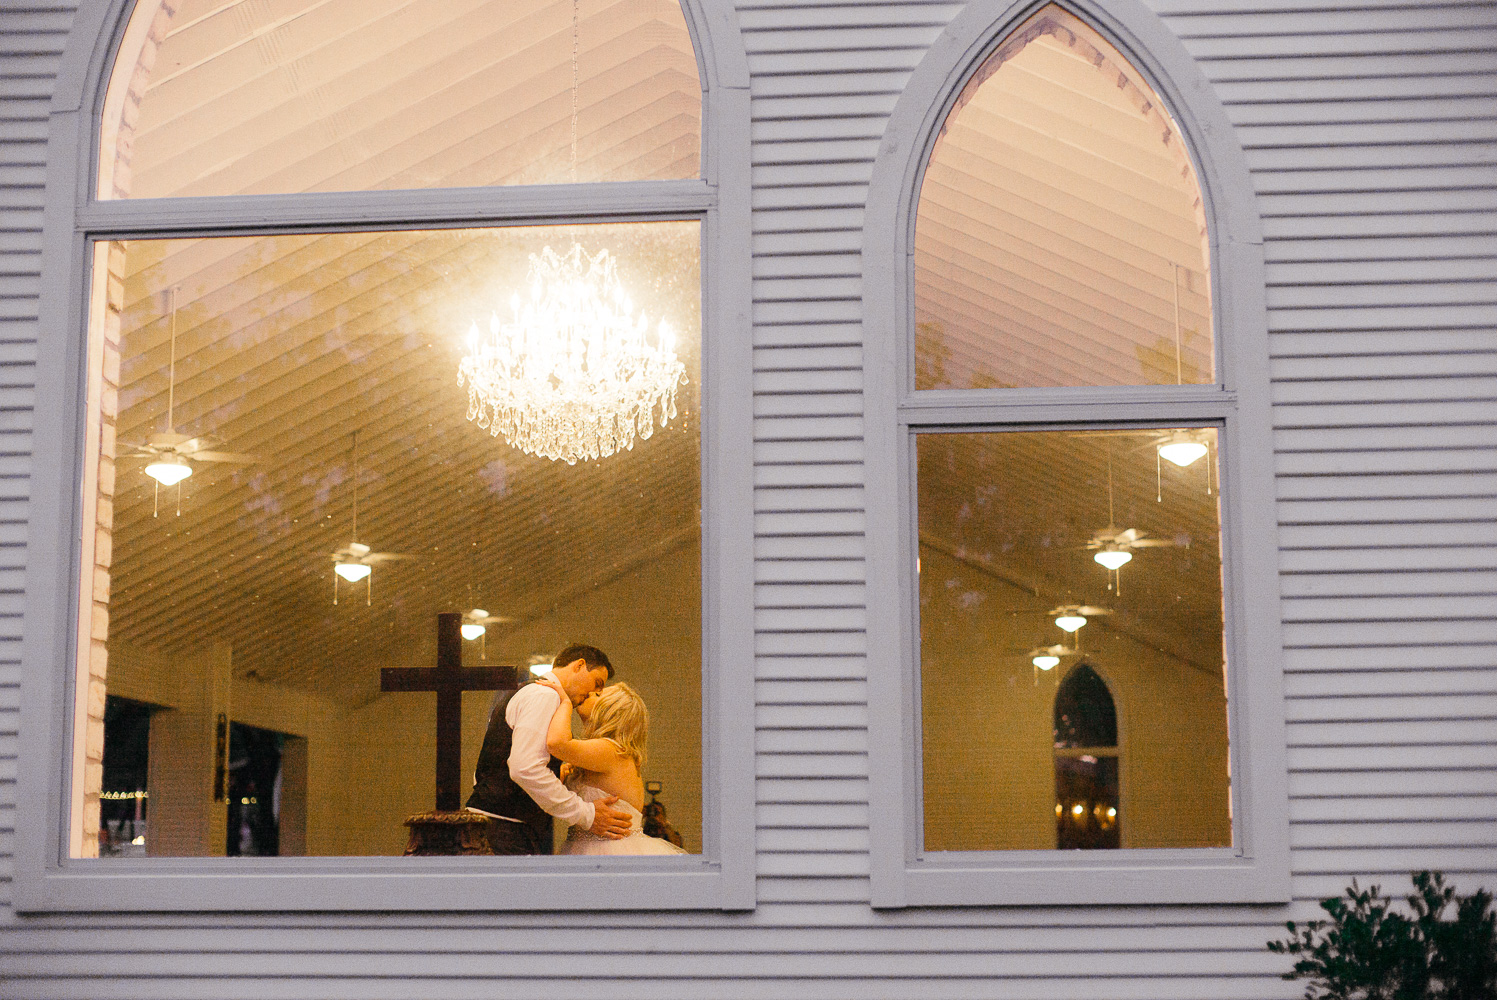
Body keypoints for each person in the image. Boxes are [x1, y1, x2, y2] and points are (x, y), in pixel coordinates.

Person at [465, 644, 633, 854]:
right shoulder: (545, 695)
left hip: (495, 824)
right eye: (597, 683)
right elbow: (525, 768)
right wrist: (585, 814)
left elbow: (495, 765)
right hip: (505, 830)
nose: (595, 692)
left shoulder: (529, 690)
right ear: (579, 665)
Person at [535, 677, 687, 855]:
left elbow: (556, 743)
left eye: (598, 694)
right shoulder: (606, 752)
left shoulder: (611, 750)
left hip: (611, 851)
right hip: (587, 848)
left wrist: (565, 703)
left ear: (611, 711)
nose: (590, 692)